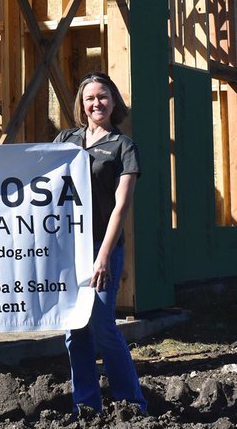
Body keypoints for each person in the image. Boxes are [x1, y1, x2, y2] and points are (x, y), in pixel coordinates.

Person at [53, 71, 148, 416]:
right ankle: (87, 405)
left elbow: (121, 206)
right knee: (75, 329)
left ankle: (131, 403)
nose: (97, 103)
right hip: (69, 248)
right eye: (90, 98)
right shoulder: (66, 140)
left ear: (114, 101)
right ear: (81, 104)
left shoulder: (124, 147)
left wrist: (104, 256)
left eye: (103, 96)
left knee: (103, 325)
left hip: (101, 247)